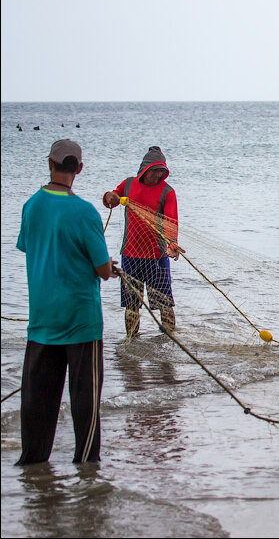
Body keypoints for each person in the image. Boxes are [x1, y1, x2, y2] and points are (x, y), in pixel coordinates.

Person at [16, 140, 116, 465]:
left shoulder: (31, 206)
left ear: (50, 164)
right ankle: (88, 473)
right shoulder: (85, 211)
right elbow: (102, 270)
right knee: (85, 406)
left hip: (42, 323)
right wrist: (109, 267)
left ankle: (33, 472)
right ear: (80, 169)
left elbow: (33, 249)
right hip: (81, 324)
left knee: (37, 407)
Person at [102, 146, 179, 336]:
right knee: (131, 305)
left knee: (164, 304)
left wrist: (173, 245)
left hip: (157, 256)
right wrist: (109, 197)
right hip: (130, 255)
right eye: (154, 170)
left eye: (161, 171)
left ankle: (169, 342)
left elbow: (171, 221)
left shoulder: (167, 192)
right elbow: (111, 198)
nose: (158, 175)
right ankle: (131, 342)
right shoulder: (128, 184)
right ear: (144, 169)